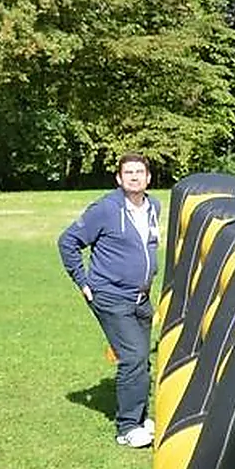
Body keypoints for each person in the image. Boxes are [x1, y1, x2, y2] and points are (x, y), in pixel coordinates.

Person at [58, 153, 162, 448]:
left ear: (148, 178)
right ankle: (127, 428)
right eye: (127, 172)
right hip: (110, 296)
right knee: (133, 357)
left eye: (139, 172)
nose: (133, 177)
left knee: (140, 358)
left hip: (141, 297)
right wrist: (83, 282)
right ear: (119, 179)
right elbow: (67, 242)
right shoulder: (105, 209)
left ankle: (140, 417)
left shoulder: (154, 206)